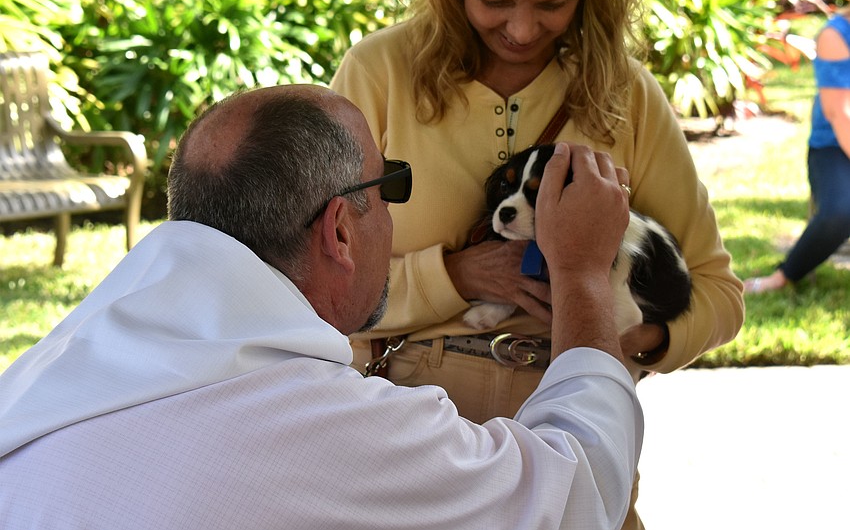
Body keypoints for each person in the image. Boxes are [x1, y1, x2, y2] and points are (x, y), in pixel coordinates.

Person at [0, 84, 642, 530]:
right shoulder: (327, 426)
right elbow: (576, 493)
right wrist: (582, 273)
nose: (396, 214)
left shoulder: (43, 372)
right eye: (389, 185)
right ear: (339, 231)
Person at [330, 0, 744, 528]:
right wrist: (453, 277)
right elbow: (310, 283)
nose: (522, 30)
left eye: (553, 3)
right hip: (413, 433)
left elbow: (717, 293)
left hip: (582, 450)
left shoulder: (629, 94)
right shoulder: (379, 72)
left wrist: (613, 332)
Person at [744, 7, 850, 294]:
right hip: (833, 148)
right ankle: (783, 276)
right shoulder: (835, 35)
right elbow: (840, 114)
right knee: (841, 211)